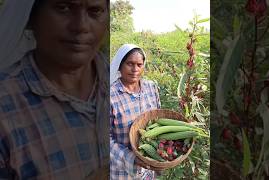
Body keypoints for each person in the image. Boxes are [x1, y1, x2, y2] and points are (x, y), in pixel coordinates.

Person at [0, 0, 109, 179]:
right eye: (63, 8)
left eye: (95, 10)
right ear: (32, 17)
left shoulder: (115, 79)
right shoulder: (6, 107)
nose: (81, 26)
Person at [110, 44, 161, 179]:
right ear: (120, 65)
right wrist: (131, 158)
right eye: (130, 64)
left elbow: (158, 119)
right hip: (122, 172)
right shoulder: (110, 96)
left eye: (139, 64)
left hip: (148, 170)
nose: (135, 69)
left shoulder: (151, 88)